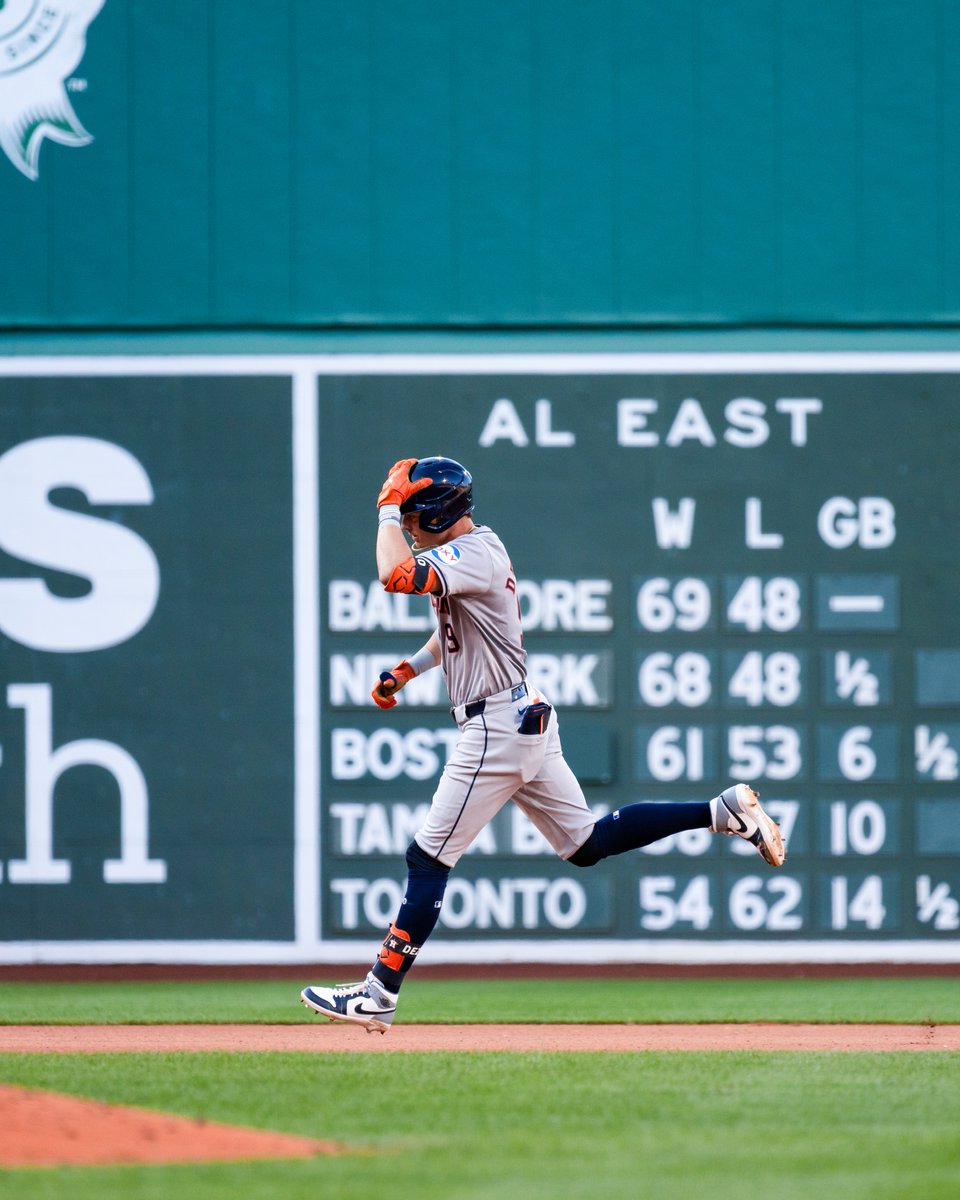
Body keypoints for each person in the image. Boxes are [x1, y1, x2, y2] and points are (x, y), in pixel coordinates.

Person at [301, 456, 785, 1033]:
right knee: (585, 844)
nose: (405, 523)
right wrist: (410, 670)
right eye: (401, 515)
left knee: (427, 858)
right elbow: (453, 628)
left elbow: (393, 575)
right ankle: (719, 812)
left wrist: (383, 509)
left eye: (410, 514)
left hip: (496, 726)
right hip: (522, 714)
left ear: (436, 512)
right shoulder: (476, 554)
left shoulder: (472, 553)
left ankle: (379, 993)